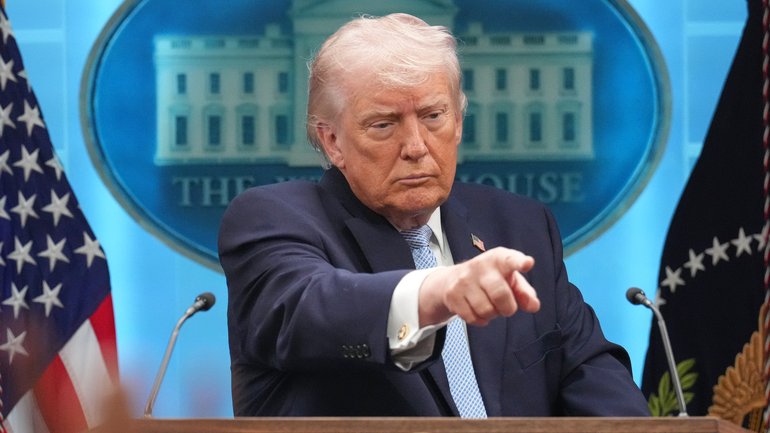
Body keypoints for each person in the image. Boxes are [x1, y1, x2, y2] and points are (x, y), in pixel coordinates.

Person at [218, 13, 650, 417]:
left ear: (458, 122)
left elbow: (590, 374)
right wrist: (436, 292)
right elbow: (309, 310)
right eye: (383, 124)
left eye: (433, 116)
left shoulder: (520, 226)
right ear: (332, 142)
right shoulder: (275, 218)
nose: (416, 146)